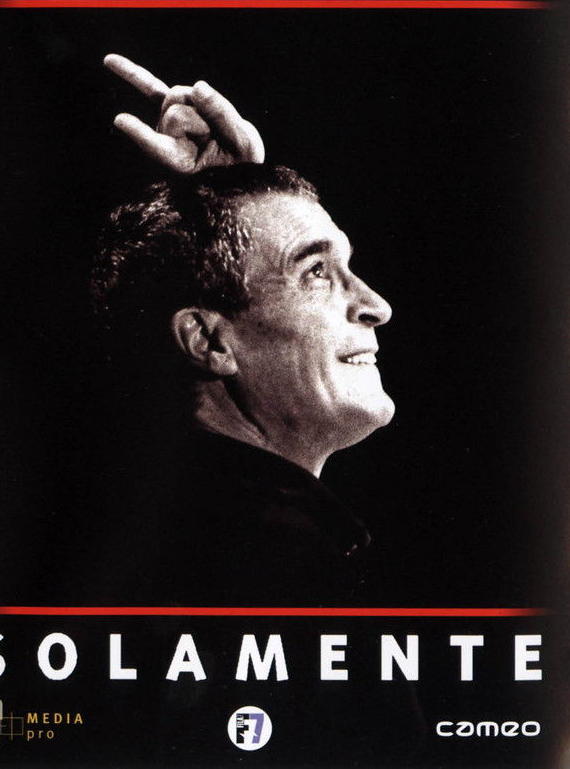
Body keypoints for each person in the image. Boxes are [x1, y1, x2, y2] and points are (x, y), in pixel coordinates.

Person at [90, 56, 395, 606]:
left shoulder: (170, 525)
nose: (376, 306)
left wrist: (223, 194)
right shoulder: (267, 557)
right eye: (317, 272)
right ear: (208, 341)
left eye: (347, 266)